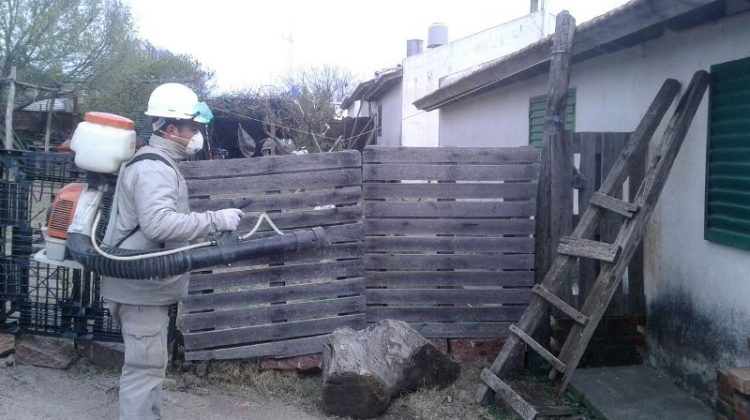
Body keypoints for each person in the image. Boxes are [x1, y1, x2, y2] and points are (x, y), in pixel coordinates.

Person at [101, 83, 244, 420]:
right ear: (170, 129)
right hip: (140, 288)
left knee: (149, 369)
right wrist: (216, 220)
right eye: (192, 127)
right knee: (143, 371)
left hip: (144, 286)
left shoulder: (158, 162)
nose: (197, 134)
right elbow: (158, 226)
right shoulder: (154, 168)